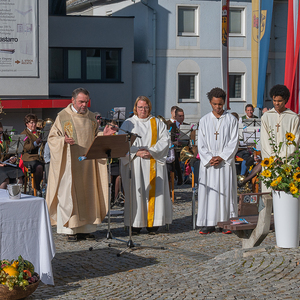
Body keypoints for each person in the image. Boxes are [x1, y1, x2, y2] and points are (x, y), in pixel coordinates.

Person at [46, 87, 117, 242]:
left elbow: (93, 137)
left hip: (88, 163)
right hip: (70, 163)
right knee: (69, 194)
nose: (84, 105)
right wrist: (63, 141)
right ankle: (70, 229)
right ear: (73, 101)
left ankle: (87, 229)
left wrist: (103, 135)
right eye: (81, 102)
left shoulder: (92, 118)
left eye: (86, 102)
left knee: (89, 193)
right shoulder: (63, 116)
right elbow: (52, 138)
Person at [120, 96, 172, 234]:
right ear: (135, 108)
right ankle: (135, 224)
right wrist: (136, 152)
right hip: (135, 164)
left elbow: (165, 140)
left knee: (154, 194)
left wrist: (151, 152)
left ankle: (153, 224)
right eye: (140, 107)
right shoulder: (128, 123)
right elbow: (121, 143)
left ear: (150, 108)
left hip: (153, 162)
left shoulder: (157, 123)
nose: (143, 110)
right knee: (136, 193)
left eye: (146, 107)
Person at [197, 87, 239, 234]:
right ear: (210, 103)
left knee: (225, 191)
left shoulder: (231, 120)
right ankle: (208, 223)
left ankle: (225, 222)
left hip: (224, 163)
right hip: (209, 164)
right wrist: (209, 158)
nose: (218, 107)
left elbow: (234, 141)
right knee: (209, 192)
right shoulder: (204, 120)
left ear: (224, 102)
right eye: (215, 104)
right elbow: (200, 143)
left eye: (220, 104)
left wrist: (221, 156)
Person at [261, 85, 300, 190]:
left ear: (286, 100)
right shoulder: (266, 116)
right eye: (274, 100)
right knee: (268, 191)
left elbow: (295, 140)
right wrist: (273, 156)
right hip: (270, 159)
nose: (276, 103)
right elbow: (264, 139)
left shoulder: (293, 117)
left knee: (286, 189)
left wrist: (282, 157)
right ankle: (267, 207)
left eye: (280, 101)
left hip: (287, 161)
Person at [21, 114, 44, 196]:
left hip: (38, 158)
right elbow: (25, 148)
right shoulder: (24, 134)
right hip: (28, 158)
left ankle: (47, 185)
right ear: (27, 124)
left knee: (50, 165)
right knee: (39, 167)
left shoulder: (37, 132)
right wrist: (35, 143)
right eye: (31, 123)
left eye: (35, 122)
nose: (34, 124)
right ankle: (37, 188)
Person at [0, 123, 24, 189]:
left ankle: (16, 195)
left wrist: (13, 157)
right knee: (5, 180)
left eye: (1, 132)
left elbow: (12, 151)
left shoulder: (7, 138)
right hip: (0, 167)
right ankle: (2, 198)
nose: (0, 135)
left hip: (7, 165)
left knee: (18, 174)